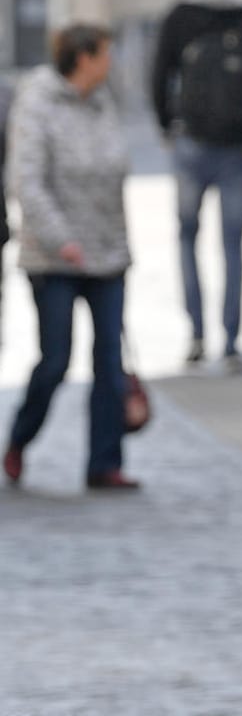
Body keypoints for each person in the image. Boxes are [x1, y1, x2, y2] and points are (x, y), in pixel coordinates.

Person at [3, 25, 136, 490]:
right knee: (55, 360)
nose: (111, 64)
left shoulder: (103, 103)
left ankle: (104, 463)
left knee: (109, 363)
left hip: (108, 254)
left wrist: (119, 246)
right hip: (54, 257)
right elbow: (27, 182)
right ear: (82, 58)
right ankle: (19, 440)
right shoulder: (36, 103)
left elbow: (117, 173)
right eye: (105, 55)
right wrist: (63, 240)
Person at [150, 0, 242, 372]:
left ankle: (196, 333)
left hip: (193, 144)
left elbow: (158, 76)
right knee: (233, 244)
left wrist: (169, 126)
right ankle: (231, 340)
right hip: (240, 149)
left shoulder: (180, 17)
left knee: (187, 235)